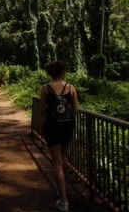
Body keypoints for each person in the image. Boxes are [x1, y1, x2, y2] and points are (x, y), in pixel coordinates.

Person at [39, 60, 78, 212]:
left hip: (52, 126)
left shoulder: (45, 89)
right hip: (67, 126)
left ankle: (63, 200)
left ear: (50, 73)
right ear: (62, 72)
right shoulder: (71, 87)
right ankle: (63, 190)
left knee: (56, 162)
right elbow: (75, 109)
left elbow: (42, 111)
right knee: (63, 157)